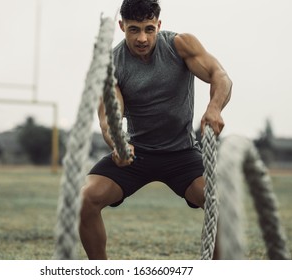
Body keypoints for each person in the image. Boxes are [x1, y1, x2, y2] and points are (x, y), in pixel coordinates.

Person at [79, 0, 232, 260]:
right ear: (121, 26)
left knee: (220, 203)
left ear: (159, 25)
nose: (142, 38)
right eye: (134, 29)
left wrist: (215, 108)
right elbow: (108, 117)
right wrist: (117, 143)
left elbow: (220, 75)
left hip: (181, 153)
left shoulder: (180, 45)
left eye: (149, 29)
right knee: (85, 199)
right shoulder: (112, 65)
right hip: (137, 153)